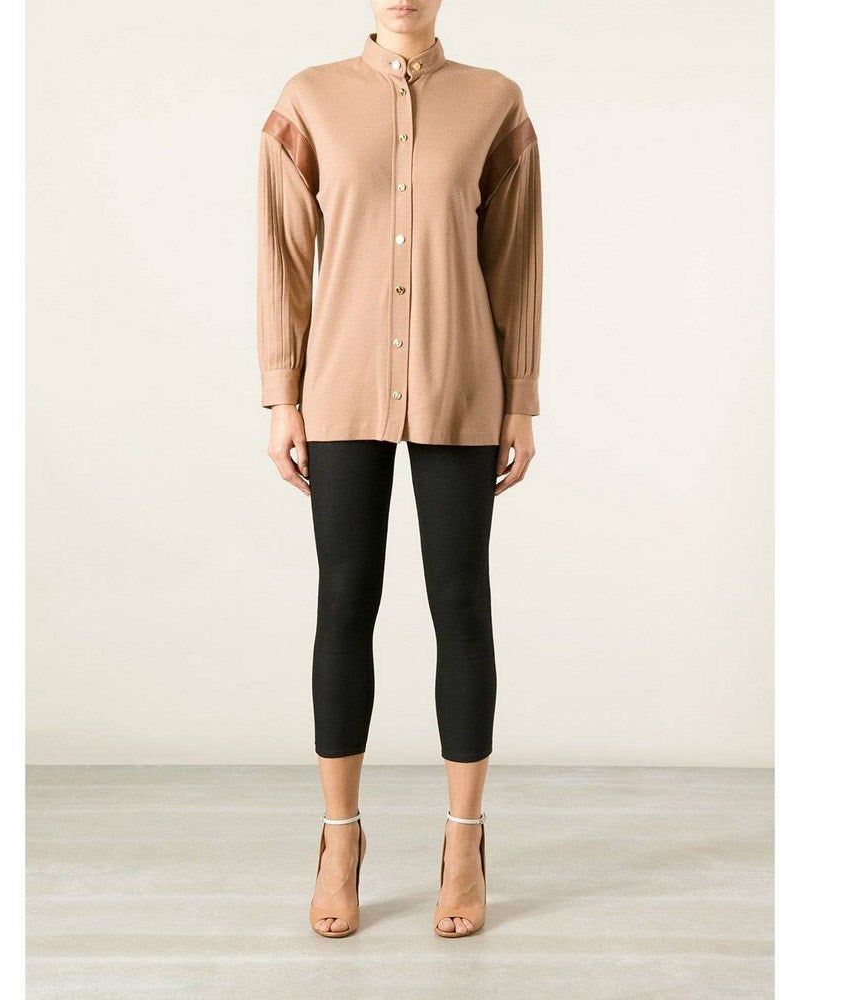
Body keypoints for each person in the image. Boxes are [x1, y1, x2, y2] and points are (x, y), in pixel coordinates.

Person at [256, 0, 543, 938]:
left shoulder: (495, 102)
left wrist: (520, 398)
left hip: (461, 382)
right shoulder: (309, 99)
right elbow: (283, 256)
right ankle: (340, 840)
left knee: (461, 599)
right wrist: (283, 396)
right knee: (346, 597)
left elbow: (515, 261)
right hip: (341, 386)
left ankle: (464, 844)